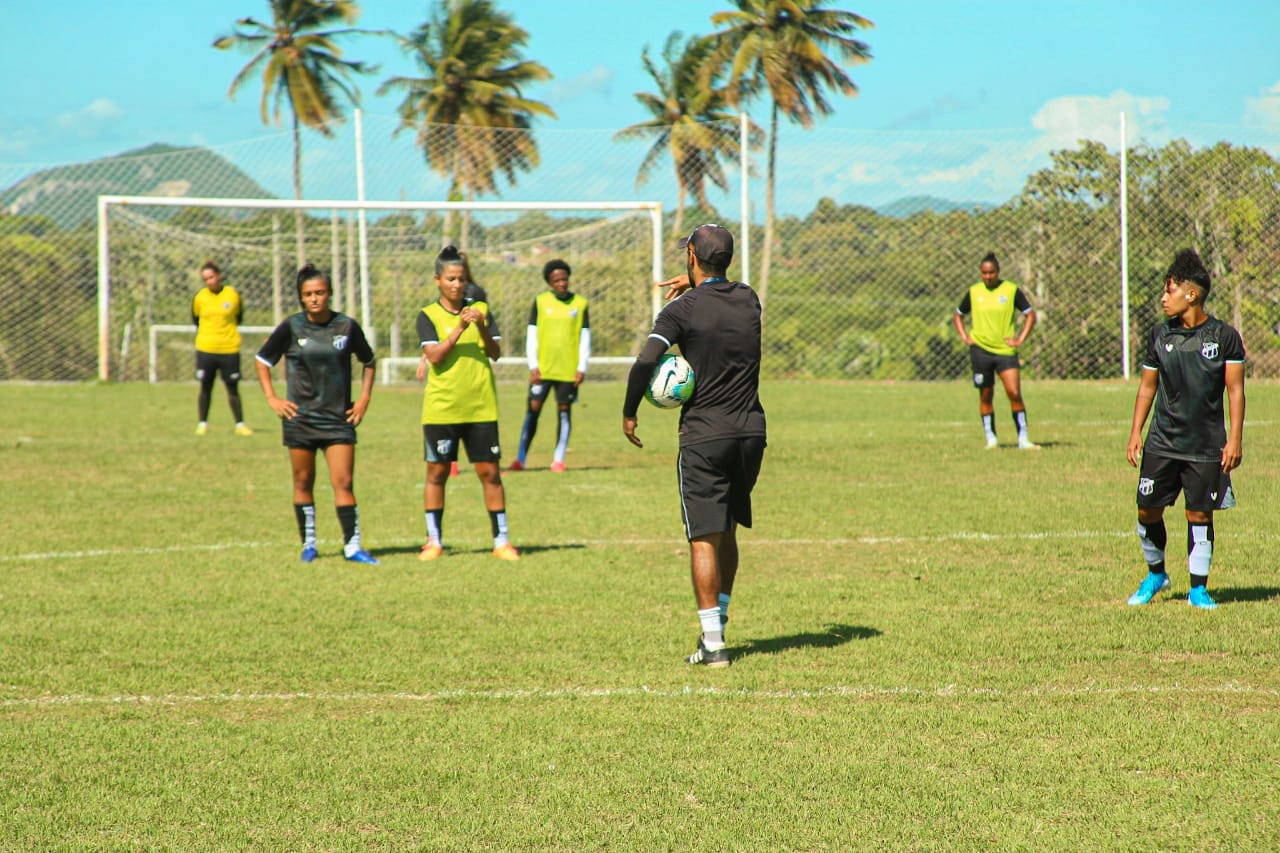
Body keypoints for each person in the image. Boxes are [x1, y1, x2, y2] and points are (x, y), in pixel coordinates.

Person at [623, 224, 766, 668]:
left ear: (690, 255)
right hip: (751, 433)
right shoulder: (749, 299)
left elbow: (647, 360)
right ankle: (716, 629)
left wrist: (630, 411)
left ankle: (714, 643)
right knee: (726, 530)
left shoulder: (681, 311)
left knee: (703, 536)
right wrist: (701, 282)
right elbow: (719, 297)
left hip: (705, 436)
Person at [1125, 248, 1245, 610]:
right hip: (1162, 441)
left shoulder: (1224, 337)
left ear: (1190, 294)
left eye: (1169, 290)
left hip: (1206, 445)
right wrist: (1136, 432)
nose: (1164, 298)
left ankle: (1198, 589)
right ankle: (1156, 573)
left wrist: (1235, 440)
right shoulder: (1160, 335)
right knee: (1147, 509)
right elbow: (1147, 387)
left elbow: (1236, 390)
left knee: (1198, 514)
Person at [255, 264, 379, 565]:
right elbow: (262, 361)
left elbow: (369, 361)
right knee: (302, 481)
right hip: (300, 419)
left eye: (320, 292)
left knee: (344, 482)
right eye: (308, 294)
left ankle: (352, 547)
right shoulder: (291, 327)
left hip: (338, 419)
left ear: (330, 293)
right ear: (300, 297)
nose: (314, 298)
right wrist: (272, 398)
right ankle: (309, 544)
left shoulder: (346, 327)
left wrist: (363, 399)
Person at [415, 245, 519, 562]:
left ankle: (501, 541)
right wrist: (460, 327)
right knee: (437, 474)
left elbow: (495, 353)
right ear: (438, 280)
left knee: (490, 474)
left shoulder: (482, 309)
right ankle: (434, 541)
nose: (457, 285)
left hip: (480, 406)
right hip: (442, 409)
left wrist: (481, 326)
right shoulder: (427, 315)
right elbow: (434, 356)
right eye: (450, 279)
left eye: (460, 279)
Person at [511, 259, 590, 472]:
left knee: (564, 411)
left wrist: (581, 367)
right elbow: (531, 335)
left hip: (568, 369)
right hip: (543, 369)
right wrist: (533, 365)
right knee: (533, 409)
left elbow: (584, 337)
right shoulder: (540, 302)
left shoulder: (580, 303)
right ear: (549, 282)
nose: (561, 283)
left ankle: (558, 459)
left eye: (564, 279)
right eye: (556, 280)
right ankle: (520, 459)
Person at [952, 252, 1038, 449]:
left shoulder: (1010, 290)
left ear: (998, 272)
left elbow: (1030, 315)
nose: (988, 276)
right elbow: (958, 315)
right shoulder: (974, 292)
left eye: (991, 273)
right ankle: (991, 438)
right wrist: (965, 337)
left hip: (1004, 352)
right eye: (984, 273)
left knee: (1014, 392)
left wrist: (1019, 339)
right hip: (980, 351)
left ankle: (1023, 439)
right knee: (986, 395)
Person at [191, 260, 252, 436]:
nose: (209, 281)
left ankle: (240, 424)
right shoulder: (199, 298)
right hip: (206, 348)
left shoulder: (232, 295)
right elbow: (195, 320)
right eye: (205, 279)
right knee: (205, 387)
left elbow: (239, 317)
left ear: (219, 276)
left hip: (229, 349)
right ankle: (202, 424)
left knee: (232, 388)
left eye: (211, 277)